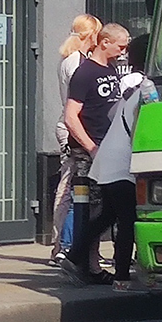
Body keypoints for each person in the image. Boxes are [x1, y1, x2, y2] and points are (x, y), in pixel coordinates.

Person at [64, 35, 162, 292]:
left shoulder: (134, 89)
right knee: (127, 219)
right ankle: (122, 276)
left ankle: (74, 256)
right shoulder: (148, 88)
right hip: (121, 164)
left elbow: (112, 114)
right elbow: (149, 125)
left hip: (109, 158)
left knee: (107, 216)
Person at [60, 22, 129, 285]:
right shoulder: (85, 73)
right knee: (92, 208)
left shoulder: (110, 69)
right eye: (120, 46)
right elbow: (70, 116)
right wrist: (91, 147)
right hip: (92, 150)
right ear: (105, 42)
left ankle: (86, 262)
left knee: (106, 210)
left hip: (109, 149)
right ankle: (83, 263)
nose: (123, 52)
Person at [49, 14, 101, 265]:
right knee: (72, 187)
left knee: (70, 186)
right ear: (90, 35)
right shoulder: (77, 63)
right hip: (73, 127)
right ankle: (64, 245)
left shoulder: (70, 59)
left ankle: (63, 243)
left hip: (69, 124)